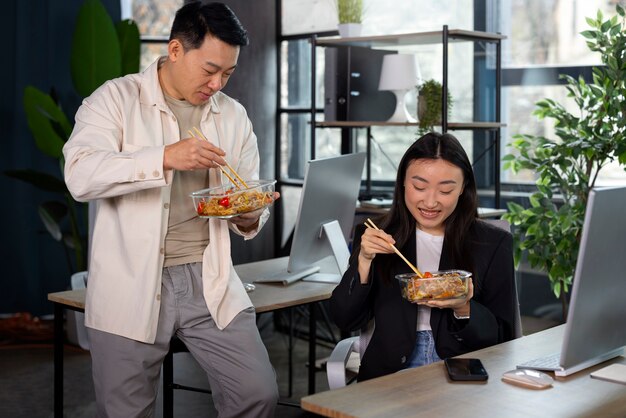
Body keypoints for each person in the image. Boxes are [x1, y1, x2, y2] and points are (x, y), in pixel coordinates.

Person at [63, 2, 279, 416]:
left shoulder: (233, 116)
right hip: (132, 280)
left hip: (208, 277)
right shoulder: (116, 98)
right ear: (176, 50)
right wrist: (164, 156)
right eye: (210, 69)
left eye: (228, 74)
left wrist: (249, 212)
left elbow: (247, 200)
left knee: (257, 393)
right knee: (128, 410)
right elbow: (80, 174)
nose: (218, 84)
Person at [329, 132, 519, 382]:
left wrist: (463, 306)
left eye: (446, 190)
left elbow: (503, 337)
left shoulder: (493, 243)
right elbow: (344, 318)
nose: (430, 202)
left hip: (463, 365)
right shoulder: (376, 235)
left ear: (463, 188)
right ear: (403, 184)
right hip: (390, 371)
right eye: (419, 187)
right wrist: (364, 261)